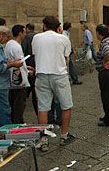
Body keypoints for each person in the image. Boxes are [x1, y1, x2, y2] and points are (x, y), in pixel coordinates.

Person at [32, 16, 76, 151]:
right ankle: (64, 135)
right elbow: (66, 58)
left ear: (44, 26)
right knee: (66, 106)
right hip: (59, 75)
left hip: (42, 75)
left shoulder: (36, 38)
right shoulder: (64, 39)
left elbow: (35, 55)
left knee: (43, 108)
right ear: (58, 27)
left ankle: (43, 140)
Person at [5, 25, 31, 124]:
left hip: (13, 78)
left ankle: (16, 121)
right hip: (19, 80)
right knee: (19, 105)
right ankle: (18, 124)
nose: (25, 34)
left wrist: (27, 68)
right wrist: (26, 72)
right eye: (24, 32)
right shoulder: (16, 46)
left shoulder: (9, 44)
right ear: (20, 33)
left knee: (14, 103)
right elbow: (19, 62)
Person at [22, 23, 38, 115]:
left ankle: (26, 96)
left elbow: (24, 49)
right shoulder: (37, 36)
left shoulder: (26, 37)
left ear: (27, 29)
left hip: (29, 62)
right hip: (36, 62)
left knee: (28, 83)